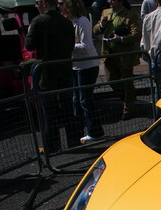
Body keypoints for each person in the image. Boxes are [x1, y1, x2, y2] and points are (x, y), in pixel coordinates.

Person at [25, 0, 80, 152]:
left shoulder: (38, 21)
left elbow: (29, 45)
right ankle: (73, 141)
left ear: (43, 3)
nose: (36, 6)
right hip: (64, 69)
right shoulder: (66, 22)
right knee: (68, 107)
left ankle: (52, 146)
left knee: (49, 110)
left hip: (47, 72)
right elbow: (70, 46)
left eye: (37, 2)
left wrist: (30, 30)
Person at [59, 0, 105, 143]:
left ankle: (95, 131)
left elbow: (85, 46)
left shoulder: (82, 21)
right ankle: (79, 132)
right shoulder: (68, 22)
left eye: (61, 3)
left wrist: (67, 46)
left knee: (85, 99)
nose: (59, 6)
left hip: (87, 66)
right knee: (76, 100)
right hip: (75, 65)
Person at [94, 0, 141, 120]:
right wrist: (102, 25)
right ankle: (128, 97)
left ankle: (128, 108)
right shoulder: (106, 12)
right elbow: (95, 30)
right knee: (111, 80)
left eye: (113, 0)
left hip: (124, 55)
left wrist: (120, 39)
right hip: (109, 55)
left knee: (127, 82)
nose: (110, 2)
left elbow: (136, 34)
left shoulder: (130, 15)